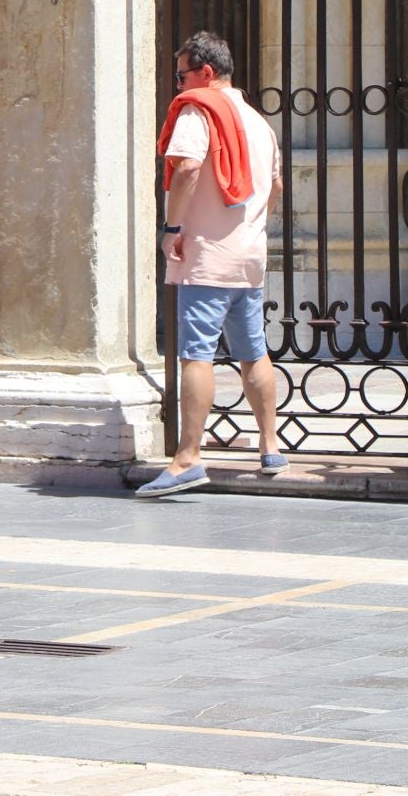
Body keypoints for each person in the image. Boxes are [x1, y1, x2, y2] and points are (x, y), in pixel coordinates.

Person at [142, 30, 285, 497]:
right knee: (253, 351)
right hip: (248, 255)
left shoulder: (198, 109)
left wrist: (172, 228)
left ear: (205, 73)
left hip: (206, 254)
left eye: (181, 75)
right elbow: (276, 188)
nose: (178, 86)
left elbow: (186, 168)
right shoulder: (258, 121)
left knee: (195, 353)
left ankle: (187, 458)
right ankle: (270, 445)